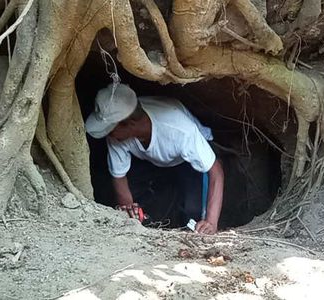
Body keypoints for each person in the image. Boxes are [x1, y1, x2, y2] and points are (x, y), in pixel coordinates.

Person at [85, 83, 224, 234]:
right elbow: (119, 177)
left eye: (109, 130)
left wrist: (211, 221)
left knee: (193, 213)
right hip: (152, 157)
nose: (107, 134)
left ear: (129, 124)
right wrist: (130, 215)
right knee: (141, 203)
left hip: (191, 157)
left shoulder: (180, 130)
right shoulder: (118, 134)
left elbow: (215, 171)